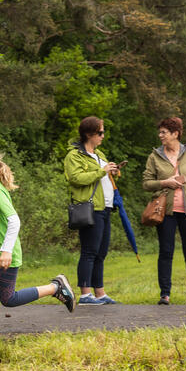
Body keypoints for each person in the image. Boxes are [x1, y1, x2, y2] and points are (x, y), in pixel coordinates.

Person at [0, 143, 75, 346]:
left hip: (7, 253)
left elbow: (14, 220)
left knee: (8, 299)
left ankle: (55, 287)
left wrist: (6, 251)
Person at [142, 117, 186, 305]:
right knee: (166, 252)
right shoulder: (155, 156)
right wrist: (164, 182)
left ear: (175, 134)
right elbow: (146, 183)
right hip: (165, 212)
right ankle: (164, 295)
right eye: (160, 132)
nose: (160, 136)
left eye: (164, 132)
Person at [63, 116, 119, 305]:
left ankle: (100, 293)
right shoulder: (74, 156)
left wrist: (113, 171)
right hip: (89, 208)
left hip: (105, 207)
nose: (103, 136)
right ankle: (85, 293)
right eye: (100, 132)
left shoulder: (99, 154)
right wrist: (102, 171)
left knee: (101, 252)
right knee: (89, 251)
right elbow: (76, 178)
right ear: (89, 133)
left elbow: (102, 176)